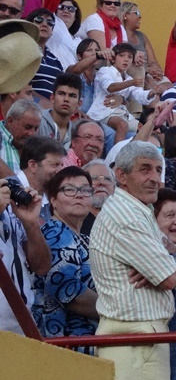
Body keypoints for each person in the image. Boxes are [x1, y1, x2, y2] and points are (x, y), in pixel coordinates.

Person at [89, 141, 176, 380]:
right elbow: (170, 278)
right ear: (121, 175)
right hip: (135, 338)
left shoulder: (138, 209)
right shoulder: (127, 216)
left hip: (138, 337)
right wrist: (168, 264)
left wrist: (167, 259)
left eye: (158, 170)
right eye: (145, 169)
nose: (155, 178)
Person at [31, 166, 95, 343]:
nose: (79, 195)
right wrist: (119, 312)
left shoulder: (86, 239)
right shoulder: (55, 232)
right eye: (69, 190)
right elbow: (70, 293)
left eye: (85, 190)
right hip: (65, 343)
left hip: (87, 340)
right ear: (53, 200)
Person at [16, 136, 65, 222]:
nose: (60, 171)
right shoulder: (7, 191)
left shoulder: (48, 201)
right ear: (33, 165)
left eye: (61, 165)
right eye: (55, 165)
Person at [38, 73, 81, 149]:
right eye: (61, 94)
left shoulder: (76, 132)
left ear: (79, 104)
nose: (66, 99)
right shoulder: (38, 121)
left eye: (72, 96)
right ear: (52, 98)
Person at [2, 99, 42, 173]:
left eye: (36, 128)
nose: (32, 133)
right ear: (10, 121)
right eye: (27, 127)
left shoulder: (37, 147)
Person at [81, 159, 115, 236]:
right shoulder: (76, 221)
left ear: (114, 187)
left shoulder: (122, 218)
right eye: (94, 178)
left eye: (107, 179)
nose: (102, 182)